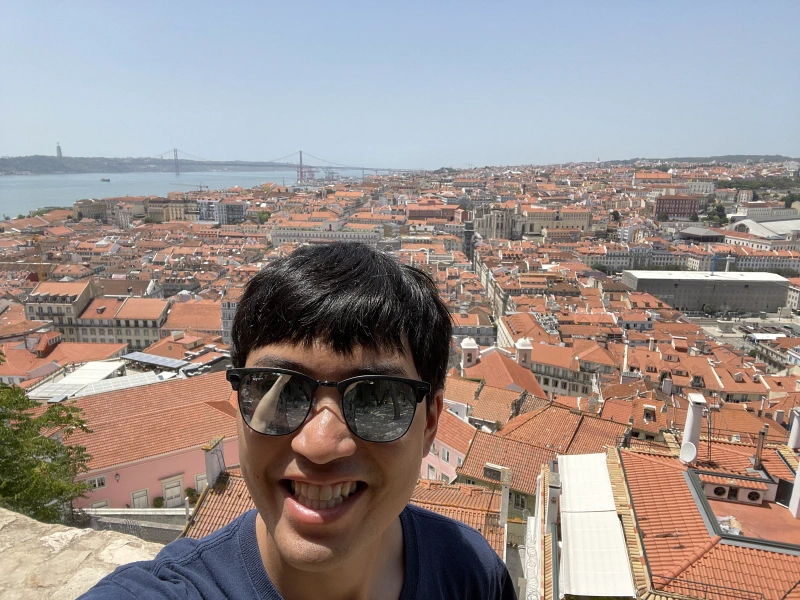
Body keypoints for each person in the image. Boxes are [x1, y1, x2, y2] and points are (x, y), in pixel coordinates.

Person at [80, 242, 517, 600]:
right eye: (279, 390)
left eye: (375, 398)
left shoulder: (472, 576)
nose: (320, 444)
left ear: (430, 423)